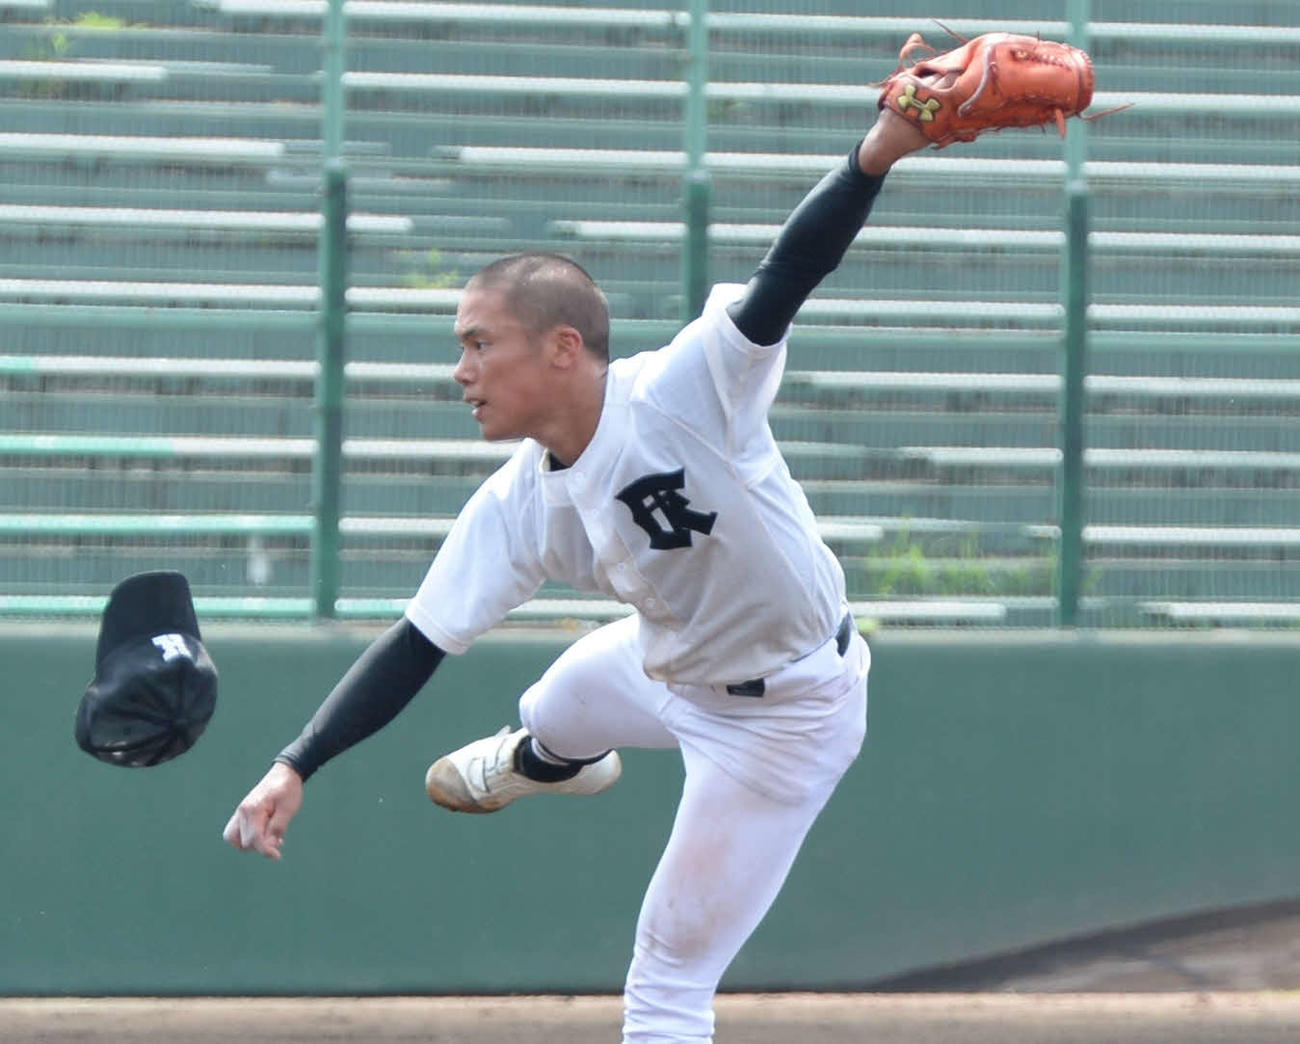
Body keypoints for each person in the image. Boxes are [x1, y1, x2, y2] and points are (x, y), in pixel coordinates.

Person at [224, 108, 933, 1042]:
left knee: (669, 977)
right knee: (551, 708)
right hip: (667, 661)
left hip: (784, 717)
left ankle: (554, 759)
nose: (461, 369)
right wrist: (294, 763)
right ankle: (547, 759)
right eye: (460, 346)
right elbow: (417, 644)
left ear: (562, 347)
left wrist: (875, 152)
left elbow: (789, 273)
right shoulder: (520, 503)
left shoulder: (683, 390)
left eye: (481, 342)